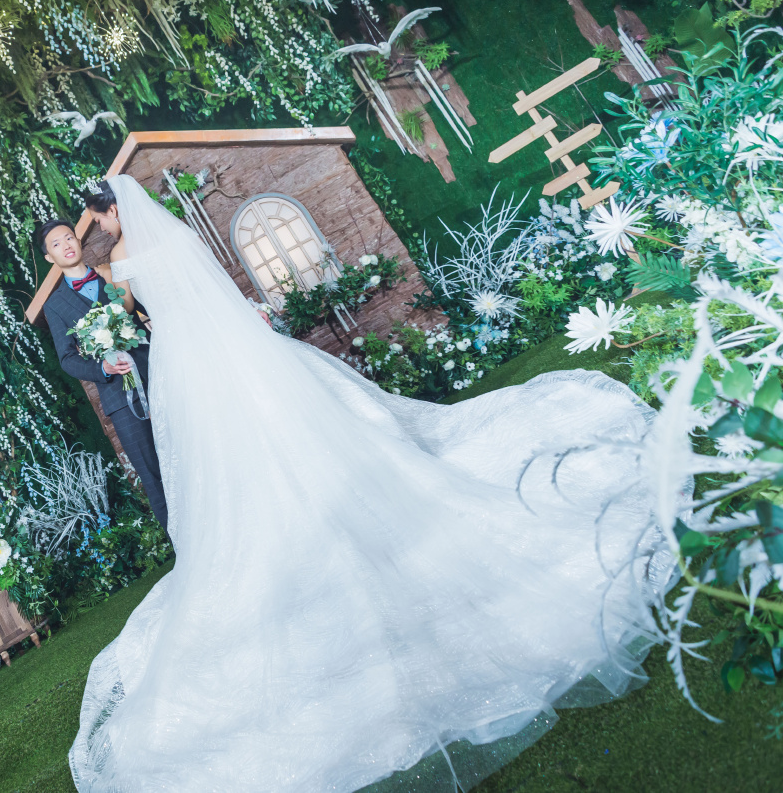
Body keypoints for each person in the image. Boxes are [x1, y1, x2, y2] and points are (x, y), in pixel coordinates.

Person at [67, 176, 675, 792]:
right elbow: (209, 289)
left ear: (110, 210)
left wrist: (112, 325)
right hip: (228, 343)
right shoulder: (176, 237)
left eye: (100, 219)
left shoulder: (123, 256)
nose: (103, 228)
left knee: (219, 447)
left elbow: (130, 311)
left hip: (186, 359)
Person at [35, 218, 170, 542]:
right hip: (117, 399)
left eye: (69, 237)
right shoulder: (55, 306)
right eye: (57, 244)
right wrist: (103, 369)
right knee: (152, 475)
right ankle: (185, 545)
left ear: (78, 241)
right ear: (50, 257)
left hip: (158, 376)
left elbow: (151, 308)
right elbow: (67, 359)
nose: (66, 245)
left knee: (184, 451)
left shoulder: (112, 274)